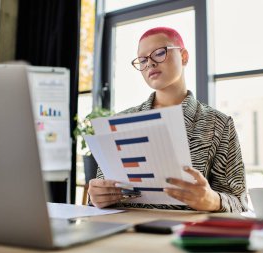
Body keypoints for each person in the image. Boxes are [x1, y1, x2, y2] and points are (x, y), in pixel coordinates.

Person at [88, 27, 247, 213]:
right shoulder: (121, 121)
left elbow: (239, 202)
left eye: (159, 53)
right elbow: (102, 193)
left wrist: (212, 200)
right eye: (142, 60)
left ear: (184, 56)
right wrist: (98, 196)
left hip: (184, 234)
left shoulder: (218, 124)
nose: (150, 64)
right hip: (123, 231)